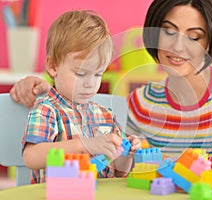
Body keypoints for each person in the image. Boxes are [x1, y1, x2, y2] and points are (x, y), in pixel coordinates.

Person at [11, 0, 212, 179]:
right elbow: (118, 166)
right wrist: (44, 88)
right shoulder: (140, 103)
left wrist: (174, 167)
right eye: (168, 32)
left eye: (194, 37)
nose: (178, 47)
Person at [21, 10, 141, 184]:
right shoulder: (47, 109)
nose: (90, 83)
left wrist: (126, 153)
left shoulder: (106, 115)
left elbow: (119, 170)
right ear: (53, 66)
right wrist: (84, 145)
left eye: (98, 74)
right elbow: (31, 157)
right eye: (81, 73)